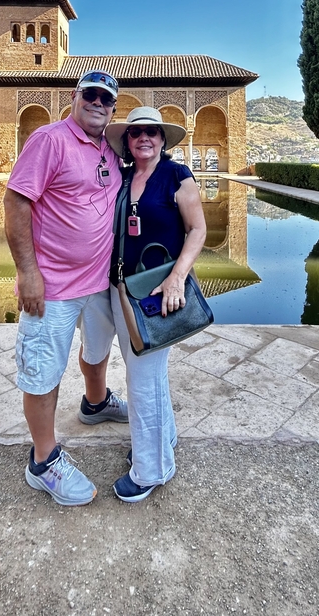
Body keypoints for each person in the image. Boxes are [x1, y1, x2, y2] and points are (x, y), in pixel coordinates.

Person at [4, 70, 128, 506]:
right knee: (42, 369)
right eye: (91, 95)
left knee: (97, 350)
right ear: (76, 98)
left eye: (106, 99)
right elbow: (17, 200)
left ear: (114, 108)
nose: (98, 103)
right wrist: (28, 272)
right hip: (53, 285)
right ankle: (43, 460)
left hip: (98, 282)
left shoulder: (109, 149)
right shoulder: (50, 139)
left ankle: (95, 403)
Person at [105, 106, 207, 502]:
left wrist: (177, 276)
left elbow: (198, 229)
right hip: (124, 290)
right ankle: (162, 438)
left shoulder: (177, 176)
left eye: (152, 132)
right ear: (127, 142)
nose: (144, 138)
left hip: (158, 291)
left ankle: (152, 469)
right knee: (145, 371)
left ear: (163, 140)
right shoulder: (126, 176)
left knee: (142, 380)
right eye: (136, 133)